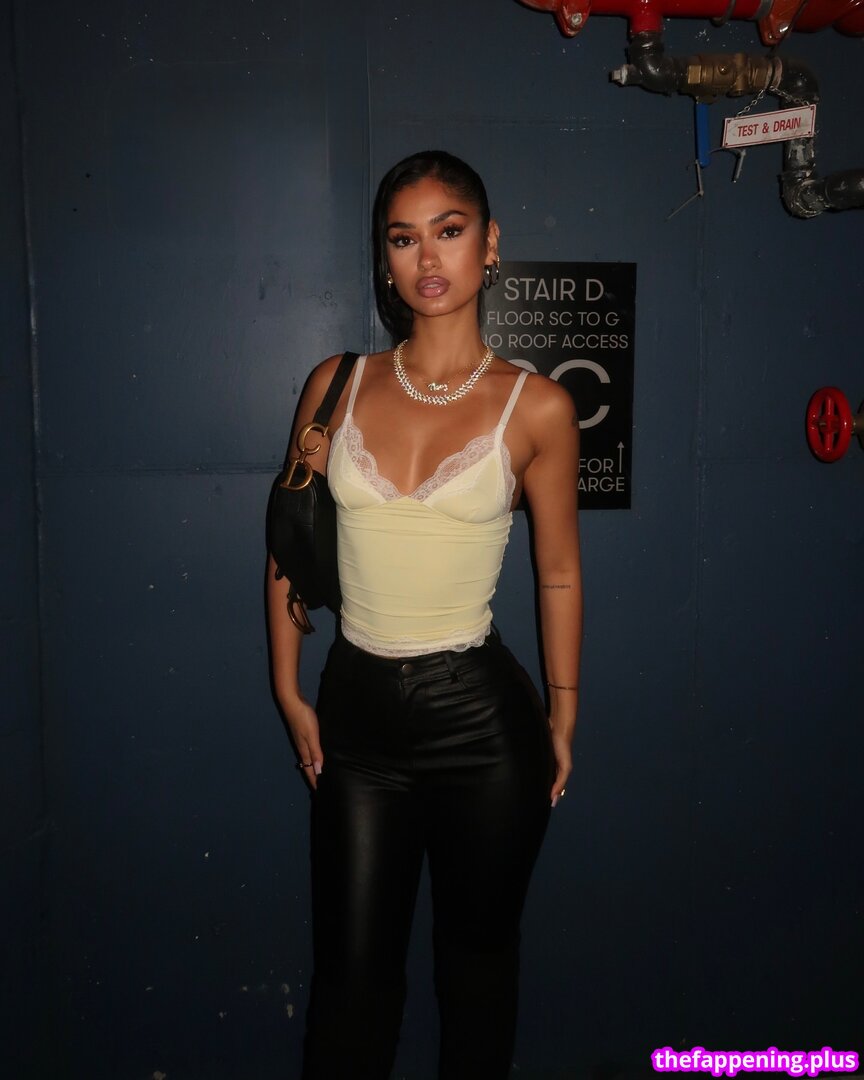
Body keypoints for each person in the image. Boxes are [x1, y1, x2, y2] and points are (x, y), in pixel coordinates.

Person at [266, 150, 582, 1080]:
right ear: (385, 257)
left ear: (490, 243)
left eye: (449, 230)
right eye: (404, 238)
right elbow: (290, 543)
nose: (427, 257)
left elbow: (558, 573)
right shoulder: (336, 383)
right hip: (356, 717)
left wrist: (564, 714)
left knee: (476, 973)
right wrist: (287, 689)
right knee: (350, 983)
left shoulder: (539, 405)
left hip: (480, 723)